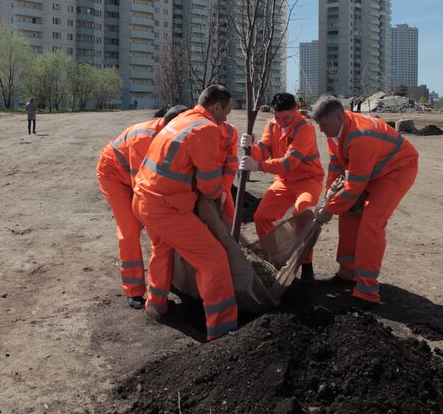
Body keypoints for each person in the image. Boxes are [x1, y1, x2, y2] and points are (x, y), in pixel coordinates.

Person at [133, 85, 237, 340]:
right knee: (214, 259)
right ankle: (223, 330)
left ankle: (156, 305)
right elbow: (209, 185)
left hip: (142, 199)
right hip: (165, 208)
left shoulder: (182, 119)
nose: (226, 118)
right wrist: (217, 196)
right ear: (215, 107)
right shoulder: (207, 129)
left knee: (163, 250)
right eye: (226, 112)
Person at [309, 95, 418, 307]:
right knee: (349, 214)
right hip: (371, 170)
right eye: (318, 125)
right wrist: (329, 197)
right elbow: (336, 167)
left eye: (323, 125)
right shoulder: (335, 131)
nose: (320, 130)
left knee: (372, 222)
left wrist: (328, 210)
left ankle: (367, 290)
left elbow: (354, 187)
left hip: (396, 170)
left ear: (339, 117)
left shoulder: (360, 136)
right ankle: (347, 274)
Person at [96, 105, 189, 309]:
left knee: (161, 236)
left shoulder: (173, 137)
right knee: (130, 229)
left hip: (135, 177)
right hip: (113, 175)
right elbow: (143, 186)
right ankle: (134, 290)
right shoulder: (144, 139)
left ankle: (160, 291)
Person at [239, 92, 324, 283]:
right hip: (284, 181)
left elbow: (289, 163)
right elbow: (264, 151)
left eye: (286, 117)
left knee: (303, 214)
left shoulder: (305, 128)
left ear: (295, 110)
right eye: (278, 118)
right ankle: (273, 259)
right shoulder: (272, 124)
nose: (282, 122)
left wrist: (258, 166)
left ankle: (306, 265)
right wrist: (252, 148)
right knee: (261, 217)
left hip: (308, 180)